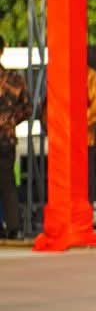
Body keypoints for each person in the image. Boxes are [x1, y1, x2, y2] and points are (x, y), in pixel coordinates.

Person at [0, 36, 30, 239]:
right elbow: (27, 108)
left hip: (6, 137)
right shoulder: (14, 79)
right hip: (7, 138)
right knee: (7, 183)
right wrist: (10, 121)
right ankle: (13, 227)